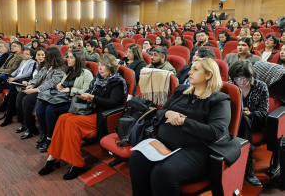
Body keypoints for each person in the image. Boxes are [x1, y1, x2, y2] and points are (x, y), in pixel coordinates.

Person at [129, 58, 240, 196]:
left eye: (195, 69)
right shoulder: (181, 90)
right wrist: (169, 113)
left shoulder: (219, 99)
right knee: (136, 160)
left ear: (208, 75)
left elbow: (215, 132)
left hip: (196, 149)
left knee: (162, 173)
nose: (189, 72)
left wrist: (183, 122)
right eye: (190, 68)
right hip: (164, 142)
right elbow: (160, 112)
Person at [38, 54, 127, 180]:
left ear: (111, 67)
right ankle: (52, 157)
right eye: (99, 65)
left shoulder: (116, 82)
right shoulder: (98, 79)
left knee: (71, 123)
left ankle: (77, 164)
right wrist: (86, 96)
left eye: (103, 65)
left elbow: (113, 103)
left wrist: (93, 98)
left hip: (101, 116)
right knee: (63, 118)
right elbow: (91, 93)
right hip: (90, 110)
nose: (100, 68)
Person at [35, 50, 94, 152]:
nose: (68, 59)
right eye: (68, 57)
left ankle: (50, 138)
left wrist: (71, 90)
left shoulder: (86, 73)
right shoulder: (69, 70)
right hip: (62, 98)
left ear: (78, 59)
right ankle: (44, 134)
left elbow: (87, 91)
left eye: (71, 58)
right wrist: (60, 85)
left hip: (75, 101)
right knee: (40, 108)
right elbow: (63, 84)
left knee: (50, 110)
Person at [228, 60, 268, 187]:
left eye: (246, 78)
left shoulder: (260, 87)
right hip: (232, 122)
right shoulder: (230, 86)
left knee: (244, 119)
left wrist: (251, 114)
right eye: (238, 78)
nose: (242, 82)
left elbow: (263, 113)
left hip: (253, 122)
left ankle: (248, 164)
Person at [16, 47, 66, 139]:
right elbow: (38, 76)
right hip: (40, 89)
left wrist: (35, 90)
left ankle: (31, 128)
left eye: (46, 56)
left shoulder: (60, 68)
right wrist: (32, 84)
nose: (44, 58)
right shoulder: (47, 65)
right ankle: (24, 123)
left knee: (27, 100)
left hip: (50, 92)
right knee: (20, 95)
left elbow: (51, 83)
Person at [0, 48, 46, 127]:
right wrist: (29, 82)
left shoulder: (45, 66)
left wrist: (29, 83)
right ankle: (22, 122)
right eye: (38, 55)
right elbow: (33, 76)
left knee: (20, 95)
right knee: (14, 95)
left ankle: (7, 112)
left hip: (36, 88)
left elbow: (40, 79)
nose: (40, 57)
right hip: (29, 85)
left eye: (42, 55)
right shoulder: (36, 64)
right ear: (35, 56)